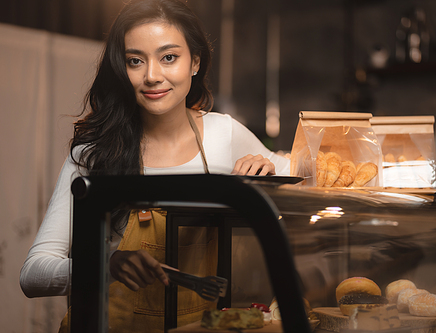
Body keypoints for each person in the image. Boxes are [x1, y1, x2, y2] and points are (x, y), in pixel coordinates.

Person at [19, 0, 290, 331]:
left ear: (196, 62)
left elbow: (306, 172)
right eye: (135, 61)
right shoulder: (95, 154)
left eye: (169, 57)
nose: (151, 76)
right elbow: (33, 274)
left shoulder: (225, 134)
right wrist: (106, 264)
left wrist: (269, 167)